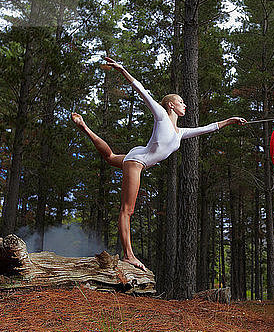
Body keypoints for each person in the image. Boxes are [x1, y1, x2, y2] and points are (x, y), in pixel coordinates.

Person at [71, 57, 246, 271]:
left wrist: (230, 120)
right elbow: (141, 90)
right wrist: (122, 68)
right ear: (171, 104)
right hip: (137, 162)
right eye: (181, 102)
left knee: (109, 157)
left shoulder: (181, 133)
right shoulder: (162, 115)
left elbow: (208, 128)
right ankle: (128, 255)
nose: (185, 105)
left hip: (138, 157)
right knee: (127, 210)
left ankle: (85, 127)